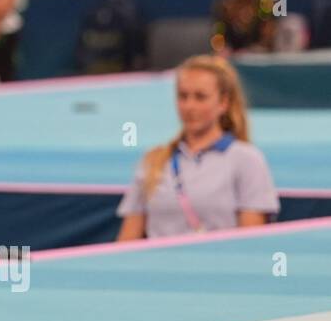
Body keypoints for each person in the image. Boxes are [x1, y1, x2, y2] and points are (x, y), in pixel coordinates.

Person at [116, 54, 277, 238]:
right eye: (183, 96)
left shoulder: (247, 160)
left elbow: (251, 243)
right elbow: (127, 241)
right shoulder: (154, 160)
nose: (189, 106)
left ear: (223, 102)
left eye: (200, 97)